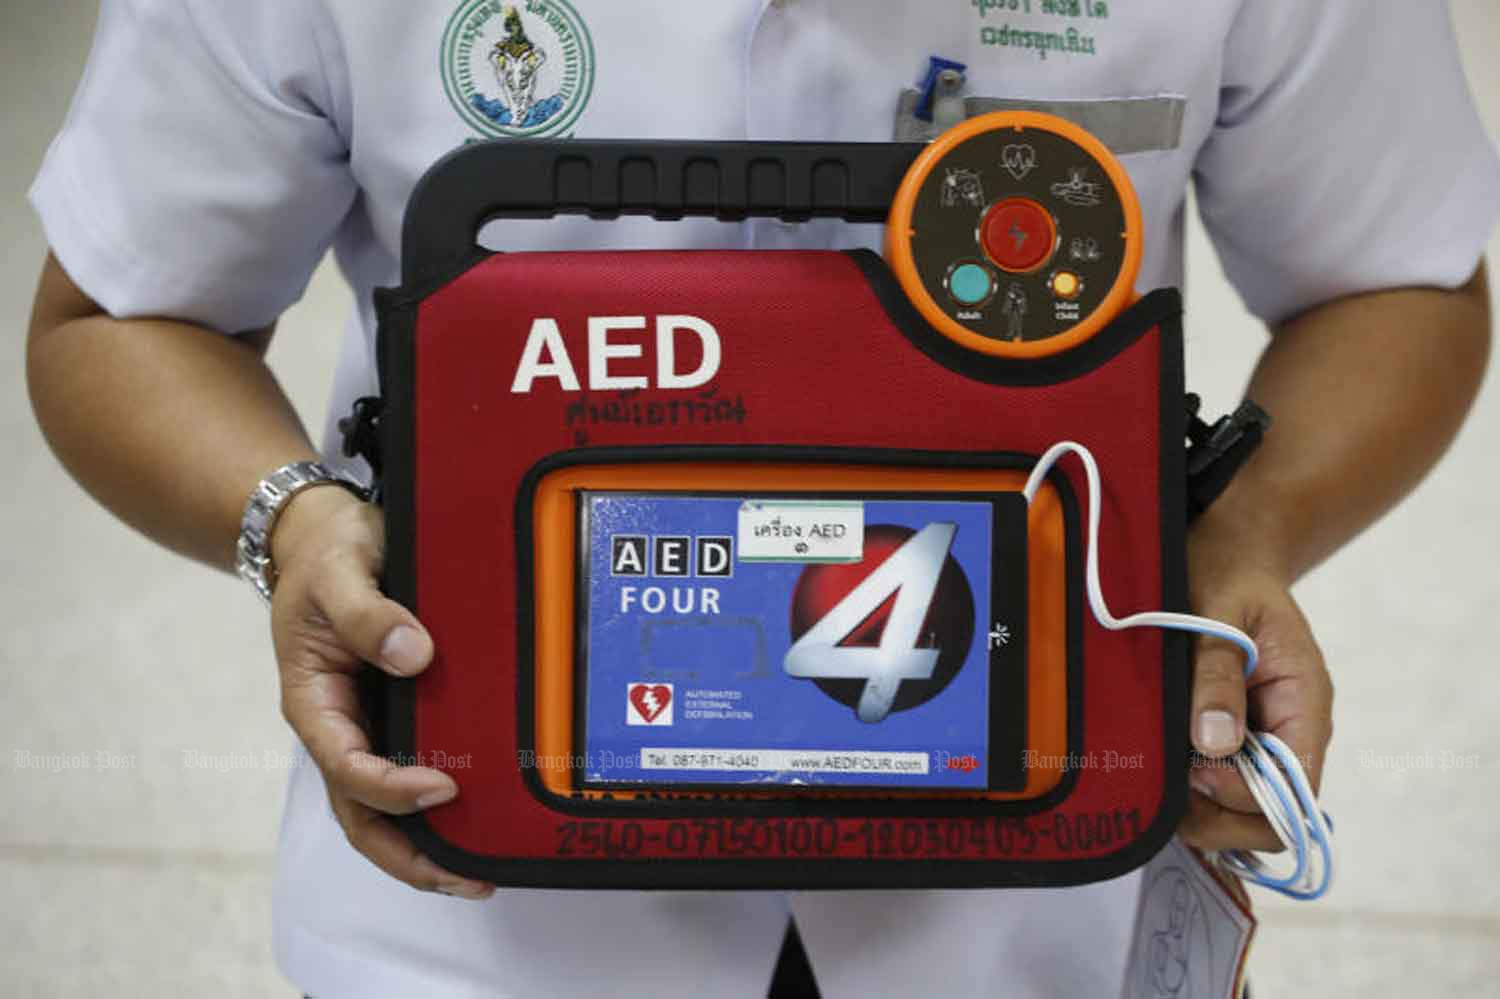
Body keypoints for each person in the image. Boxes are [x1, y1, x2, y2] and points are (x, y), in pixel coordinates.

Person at [25, 1, 1499, 996]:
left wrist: (1238, 538)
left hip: (1045, 880)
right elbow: (118, 315)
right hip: (485, 907)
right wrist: (292, 520)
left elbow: (1394, 275)